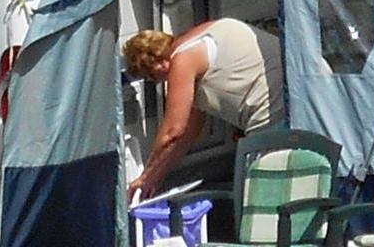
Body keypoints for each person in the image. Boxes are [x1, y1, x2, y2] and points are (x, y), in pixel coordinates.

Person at [121, 18, 282, 204]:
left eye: (150, 76)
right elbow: (190, 131)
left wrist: (144, 175)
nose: (157, 82)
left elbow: (173, 131)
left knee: (261, 198)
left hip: (270, 115)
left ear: (158, 63)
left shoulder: (182, 59)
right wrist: (156, 176)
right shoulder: (200, 39)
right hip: (298, 95)